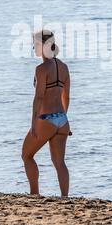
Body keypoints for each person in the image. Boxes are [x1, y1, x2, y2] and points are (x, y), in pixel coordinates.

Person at [21, 29, 72, 197]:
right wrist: (64, 118)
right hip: (62, 120)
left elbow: (39, 99)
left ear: (44, 46)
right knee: (59, 163)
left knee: (27, 155)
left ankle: (34, 194)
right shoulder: (64, 67)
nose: (33, 48)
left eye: (35, 44)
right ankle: (65, 198)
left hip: (46, 120)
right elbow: (67, 96)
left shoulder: (41, 69)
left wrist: (34, 123)